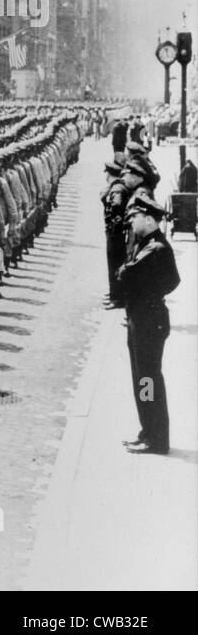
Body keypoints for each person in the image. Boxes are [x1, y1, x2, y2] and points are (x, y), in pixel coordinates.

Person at [116, 193, 180, 455]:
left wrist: (148, 295)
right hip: (142, 318)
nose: (131, 223)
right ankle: (147, 430)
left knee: (147, 380)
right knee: (142, 378)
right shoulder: (148, 244)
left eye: (135, 218)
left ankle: (156, 437)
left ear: (148, 219)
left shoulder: (155, 248)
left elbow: (125, 273)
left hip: (148, 320)